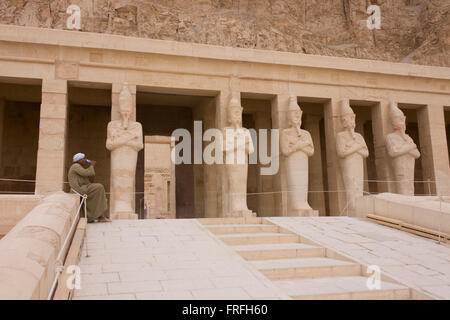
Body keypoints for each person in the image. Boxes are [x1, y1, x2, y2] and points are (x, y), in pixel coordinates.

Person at [68, 153, 111, 223]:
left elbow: (88, 177)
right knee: (99, 187)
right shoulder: (75, 166)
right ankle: (100, 216)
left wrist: (90, 167)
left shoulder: (78, 167)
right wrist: (91, 165)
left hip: (83, 187)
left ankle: (99, 216)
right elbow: (86, 173)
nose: (85, 160)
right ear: (79, 160)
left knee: (98, 192)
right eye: (83, 159)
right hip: (79, 189)